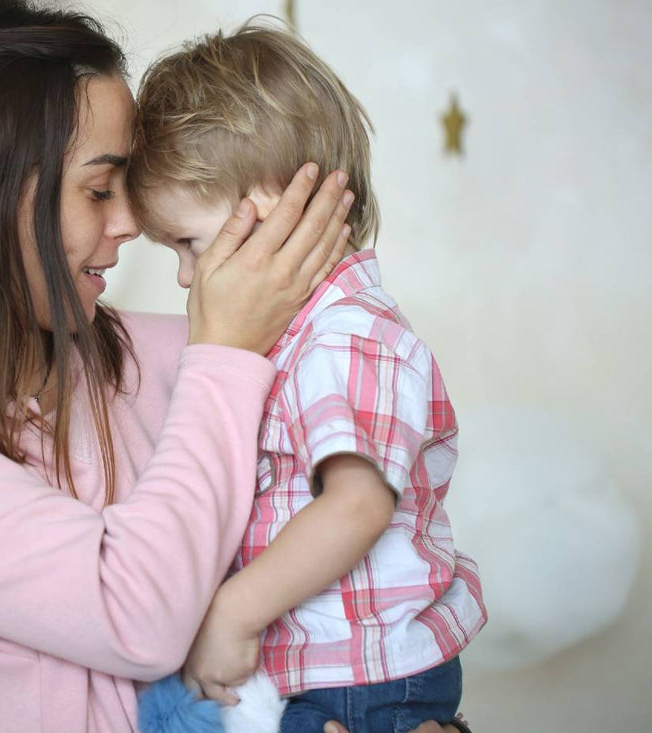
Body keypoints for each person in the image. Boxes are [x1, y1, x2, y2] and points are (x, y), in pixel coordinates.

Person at [0, 1, 376, 731]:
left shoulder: (198, 357)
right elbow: (137, 617)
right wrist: (224, 352)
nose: (131, 224)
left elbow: (380, 540)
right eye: (98, 190)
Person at [127, 20, 486, 733]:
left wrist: (234, 612)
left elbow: (357, 507)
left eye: (189, 242)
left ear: (276, 210)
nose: (186, 276)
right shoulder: (297, 341)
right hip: (335, 670)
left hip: (365, 680)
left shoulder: (346, 337)